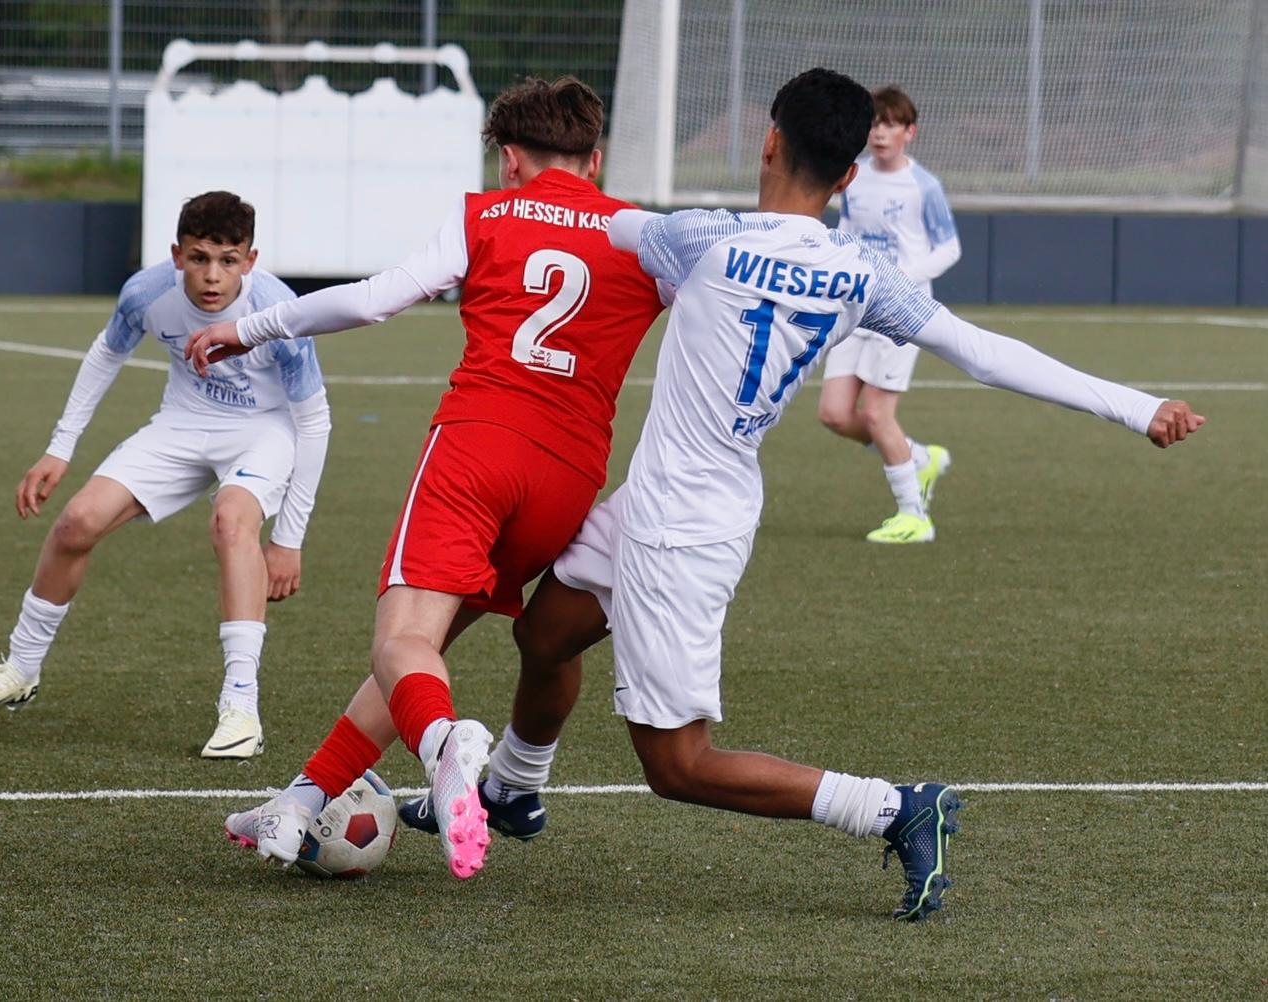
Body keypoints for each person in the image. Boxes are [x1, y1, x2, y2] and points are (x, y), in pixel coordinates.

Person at [400, 68, 1204, 920]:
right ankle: (512, 789)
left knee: (678, 765)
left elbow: (590, 218)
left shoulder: (702, 236)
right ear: (849, 174)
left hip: (683, 531)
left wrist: (525, 188)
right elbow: (982, 352)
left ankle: (893, 807)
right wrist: (1136, 406)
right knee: (545, 634)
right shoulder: (859, 272)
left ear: (769, 141)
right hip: (673, 501)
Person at [184, 77, 667, 880]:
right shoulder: (644, 234)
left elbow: (376, 300)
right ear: (596, 157)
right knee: (417, 652)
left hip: (477, 449)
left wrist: (253, 326)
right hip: (568, 479)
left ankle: (446, 748)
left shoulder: (485, 213)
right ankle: (301, 801)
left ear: (508, 158)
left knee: (402, 641)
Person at [0, 190, 331, 759]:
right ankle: (22, 668)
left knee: (231, 523)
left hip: (263, 431)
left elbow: (314, 421)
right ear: (177, 255)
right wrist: (60, 448)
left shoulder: (278, 312)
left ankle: (241, 707)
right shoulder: (146, 293)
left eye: (228, 260)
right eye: (199, 258)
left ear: (250, 261)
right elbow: (105, 355)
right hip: (182, 423)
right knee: (77, 522)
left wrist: (289, 539)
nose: (212, 275)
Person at [817, 86, 961, 543]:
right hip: (855, 306)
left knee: (879, 415)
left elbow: (949, 248)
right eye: (874, 124)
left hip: (901, 311)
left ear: (909, 132)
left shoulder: (924, 186)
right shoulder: (853, 175)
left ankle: (914, 516)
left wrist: (901, 278)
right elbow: (847, 229)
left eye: (890, 125)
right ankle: (918, 458)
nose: (879, 133)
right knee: (834, 414)